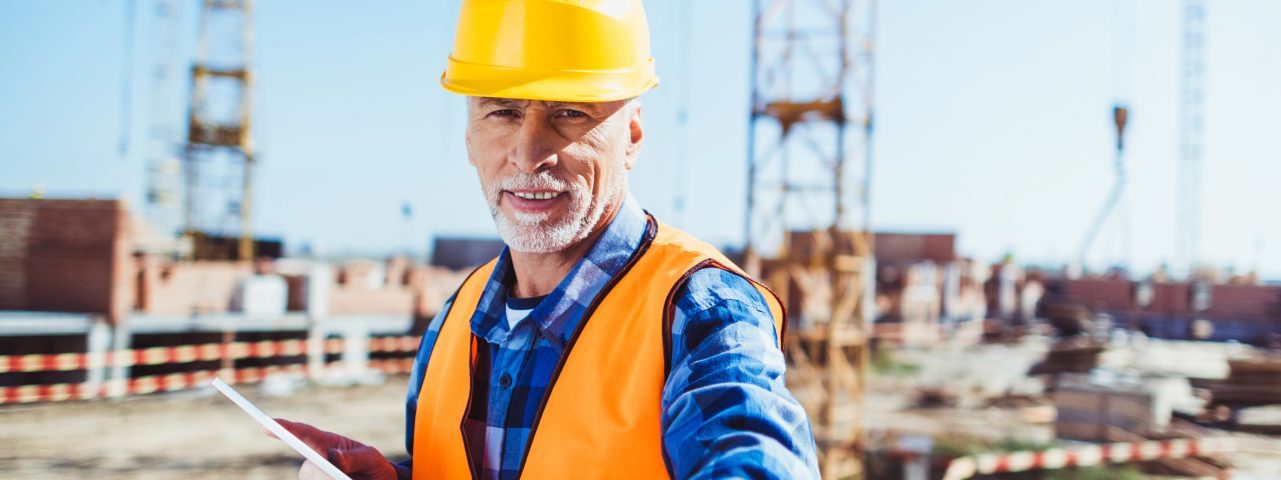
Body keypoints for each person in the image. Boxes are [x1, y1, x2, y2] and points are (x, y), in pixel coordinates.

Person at [277, 1, 819, 478]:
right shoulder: (454, 320)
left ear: (631, 135)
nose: (529, 153)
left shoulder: (700, 312)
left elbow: (750, 453)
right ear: (469, 136)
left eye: (568, 114)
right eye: (503, 112)